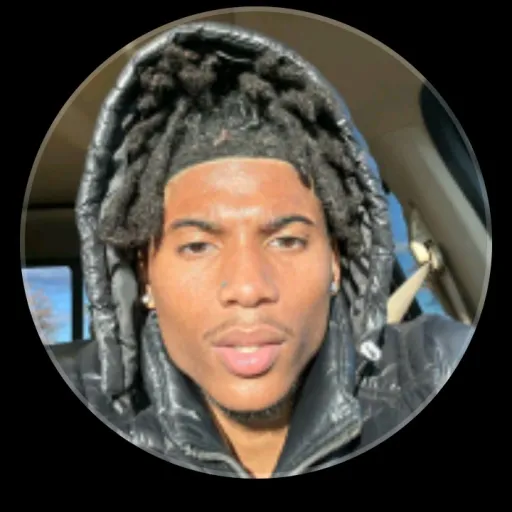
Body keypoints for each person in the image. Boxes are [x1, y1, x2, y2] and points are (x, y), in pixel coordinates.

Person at [54, 21, 473, 478]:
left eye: (287, 240)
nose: (249, 288)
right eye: (197, 246)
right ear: (146, 276)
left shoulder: (433, 368)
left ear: (335, 262)